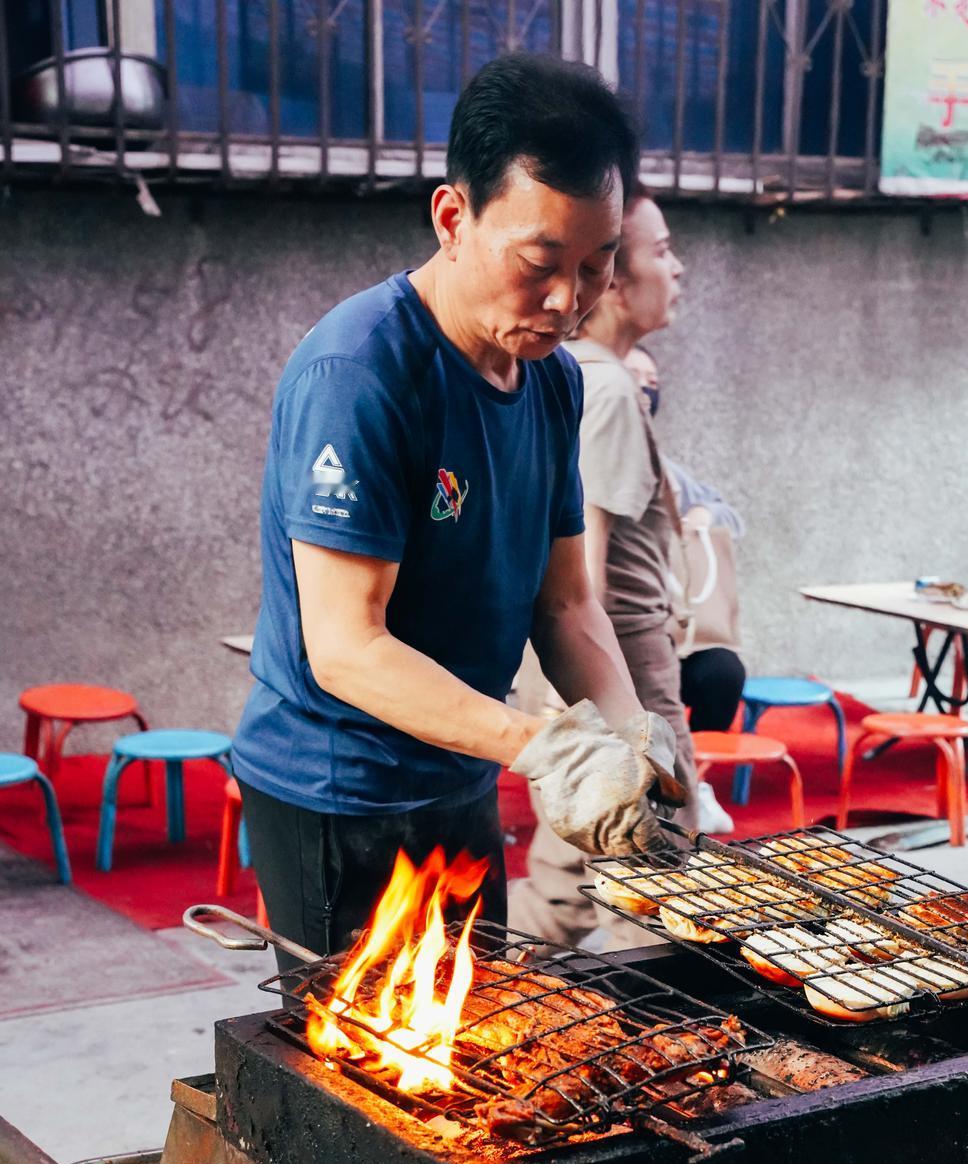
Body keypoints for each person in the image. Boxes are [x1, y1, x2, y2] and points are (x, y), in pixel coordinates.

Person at [230, 53, 683, 956]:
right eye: (540, 263)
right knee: (357, 1087)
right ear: (452, 217)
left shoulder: (552, 383)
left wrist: (632, 735)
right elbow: (348, 647)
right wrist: (548, 748)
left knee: (484, 1064)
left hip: (464, 777)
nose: (568, 302)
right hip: (339, 798)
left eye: (596, 269)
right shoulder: (359, 373)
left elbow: (565, 602)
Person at [511, 191, 695, 946]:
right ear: (613, 278)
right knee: (654, 880)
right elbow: (580, 574)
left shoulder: (561, 373)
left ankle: (483, 999)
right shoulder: (608, 389)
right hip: (620, 664)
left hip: (569, 668)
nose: (676, 268)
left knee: (566, 877)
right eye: (659, 251)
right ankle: (655, 1042)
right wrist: (621, 725)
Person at [623, 342, 748, 743]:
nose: (645, 390)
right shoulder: (574, 455)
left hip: (675, 626)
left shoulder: (667, 470)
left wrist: (702, 516)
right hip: (617, 622)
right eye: (633, 377)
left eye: (653, 381)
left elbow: (727, 513)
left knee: (723, 672)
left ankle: (695, 777)